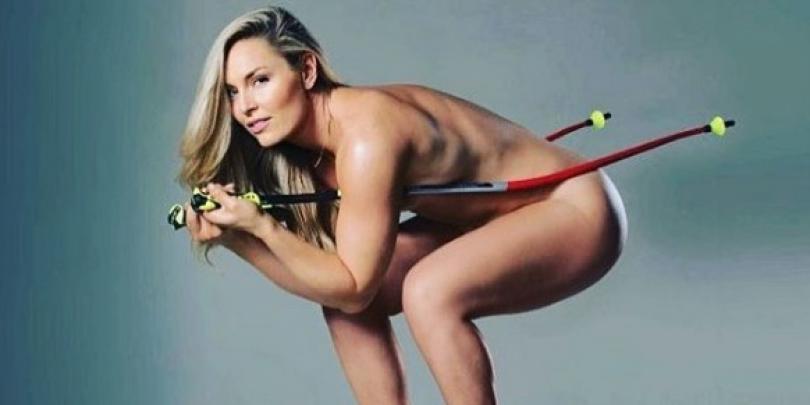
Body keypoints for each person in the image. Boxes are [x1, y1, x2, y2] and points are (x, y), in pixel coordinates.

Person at [177, 5, 627, 405]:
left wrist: (261, 229)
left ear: (307, 71)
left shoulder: (366, 138)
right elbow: (342, 290)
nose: (245, 106)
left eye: (259, 81)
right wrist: (238, 239)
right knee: (346, 306)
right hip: (493, 217)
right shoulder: (319, 151)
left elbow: (353, 284)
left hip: (574, 205)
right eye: (232, 92)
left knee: (428, 293)